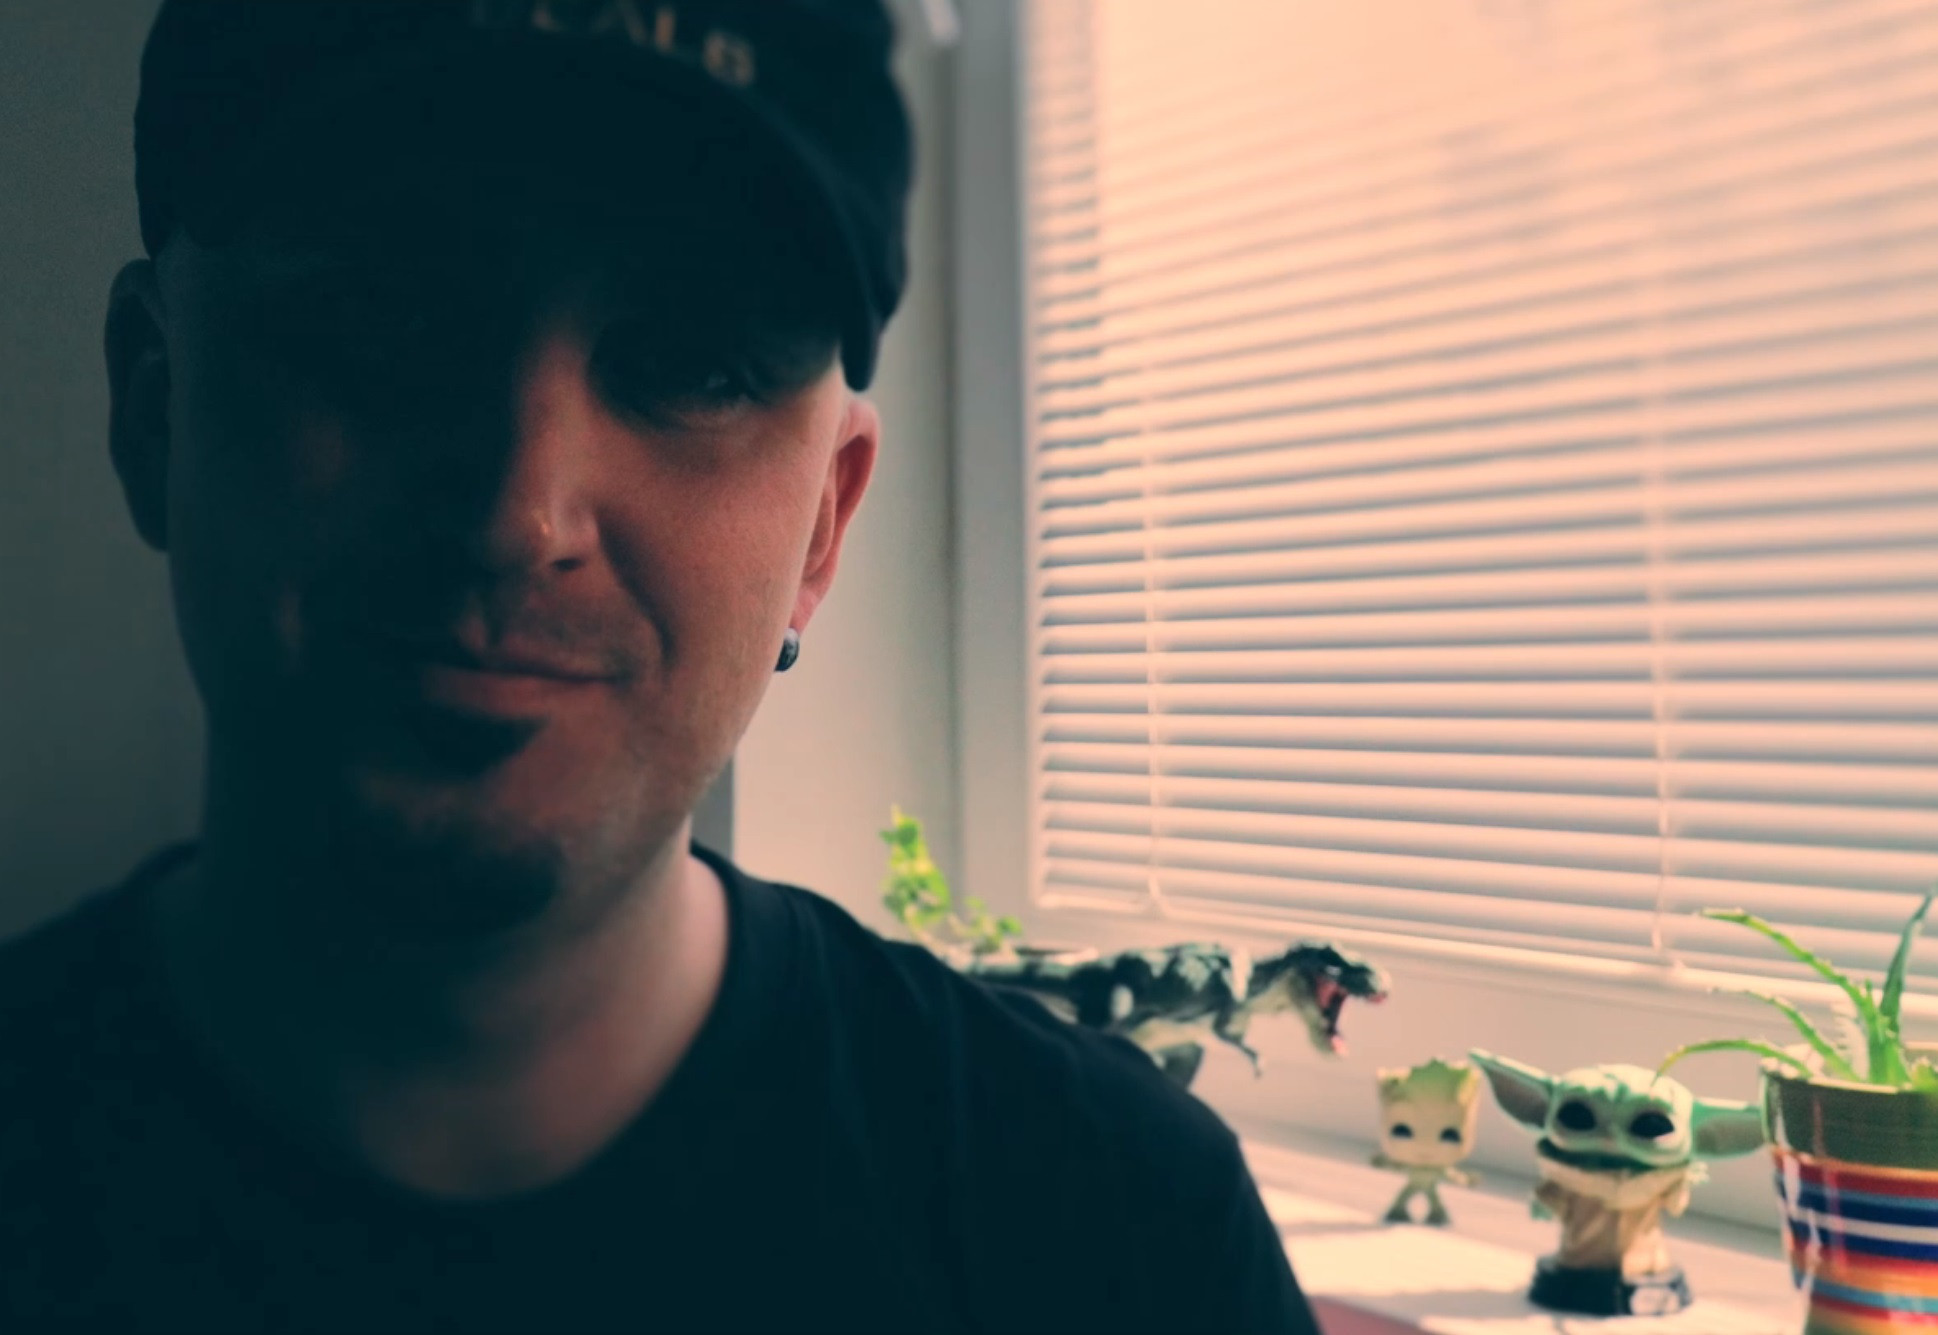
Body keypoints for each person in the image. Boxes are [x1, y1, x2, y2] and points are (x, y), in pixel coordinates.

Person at [0, 3, 1319, 1331]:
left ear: (823, 528)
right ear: (154, 409)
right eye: (386, 323)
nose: (520, 516)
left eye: (695, 366)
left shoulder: (1120, 1230)